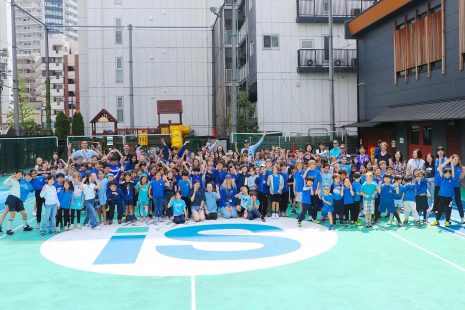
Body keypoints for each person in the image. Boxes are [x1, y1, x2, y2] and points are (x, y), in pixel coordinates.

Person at [0, 171, 34, 235]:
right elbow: (6, 183)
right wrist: (11, 177)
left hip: (19, 200)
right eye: (26, 176)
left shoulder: (30, 186)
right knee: (7, 212)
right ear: (24, 176)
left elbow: (35, 188)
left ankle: (25, 226)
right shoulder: (20, 181)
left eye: (29, 176)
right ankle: (8, 228)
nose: (28, 177)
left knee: (24, 213)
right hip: (12, 197)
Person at [431, 158, 456, 227]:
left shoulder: (452, 178)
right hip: (441, 197)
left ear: (451, 174)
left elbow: (452, 170)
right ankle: (437, 221)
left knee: (448, 210)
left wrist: (451, 163)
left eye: (449, 173)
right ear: (444, 174)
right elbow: (439, 168)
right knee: (440, 209)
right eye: (446, 173)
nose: (447, 174)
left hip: (449, 198)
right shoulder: (442, 178)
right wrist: (446, 162)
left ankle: (447, 221)